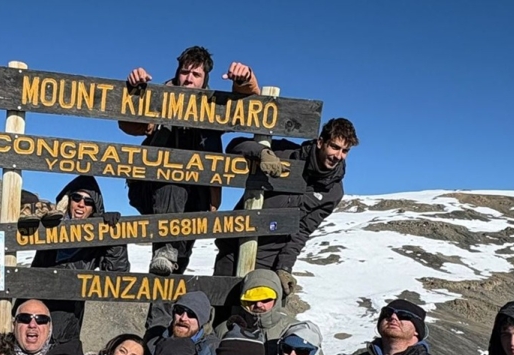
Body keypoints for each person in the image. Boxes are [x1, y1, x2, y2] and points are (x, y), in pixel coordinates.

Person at [119, 49, 259, 279]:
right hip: (152, 191)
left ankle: (164, 300)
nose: (189, 78)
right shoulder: (159, 101)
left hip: (197, 201)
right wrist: (135, 92)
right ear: (176, 75)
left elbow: (248, 109)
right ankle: (165, 248)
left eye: (196, 74)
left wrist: (245, 80)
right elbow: (129, 124)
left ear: (204, 81)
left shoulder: (213, 109)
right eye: (185, 72)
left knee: (173, 266)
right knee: (174, 173)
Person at [216, 118, 359, 297]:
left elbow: (301, 232)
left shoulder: (334, 192)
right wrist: (262, 152)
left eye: (345, 151)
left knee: (254, 316)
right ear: (321, 142)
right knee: (221, 307)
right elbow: (235, 145)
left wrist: (284, 268)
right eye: (335, 147)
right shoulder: (286, 152)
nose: (338, 155)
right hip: (234, 245)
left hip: (268, 259)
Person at [27, 175, 127, 334]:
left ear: (94, 209)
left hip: (67, 321)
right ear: (68, 201)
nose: (81, 204)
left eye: (88, 202)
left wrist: (114, 237)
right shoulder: (48, 223)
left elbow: (117, 274)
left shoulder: (96, 240)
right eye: (77, 198)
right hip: (30, 314)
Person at [146, 291, 219, 355]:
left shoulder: (214, 351)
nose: (183, 318)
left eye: (191, 314)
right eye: (179, 311)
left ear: (202, 321)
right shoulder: (154, 344)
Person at [216, 269, 288, 355]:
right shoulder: (225, 330)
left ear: (277, 299)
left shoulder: (291, 330)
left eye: (265, 299)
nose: (258, 304)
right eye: (251, 300)